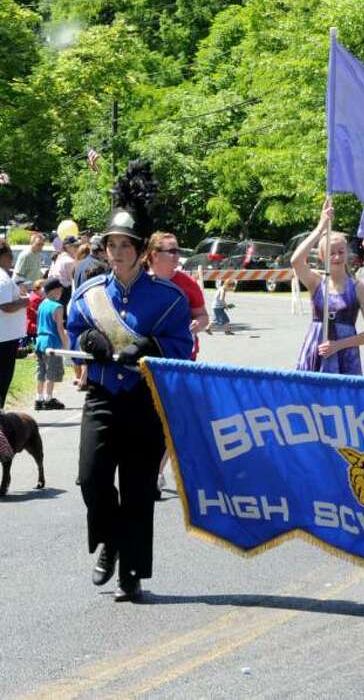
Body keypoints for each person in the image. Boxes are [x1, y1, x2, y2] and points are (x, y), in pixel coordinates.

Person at [68, 160, 194, 602]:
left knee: (139, 488)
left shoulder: (169, 298)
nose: (117, 252)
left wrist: (150, 349)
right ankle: (111, 540)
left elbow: (183, 346)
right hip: (103, 396)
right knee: (91, 478)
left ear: (141, 251)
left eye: (126, 246)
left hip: (145, 401)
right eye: (111, 245)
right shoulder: (88, 295)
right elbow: (71, 331)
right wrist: (88, 339)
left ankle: (132, 573)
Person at [144, 231, 210, 499]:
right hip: (143, 361)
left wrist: (199, 324)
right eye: (171, 251)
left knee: (167, 419)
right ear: (153, 255)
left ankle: (155, 473)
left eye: (177, 250)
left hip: (180, 361)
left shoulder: (186, 283)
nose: (177, 256)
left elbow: (204, 317)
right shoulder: (139, 282)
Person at [292, 198, 364, 374]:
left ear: (347, 253)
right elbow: (295, 261)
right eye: (331, 253)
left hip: (346, 357)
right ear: (322, 257)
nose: (337, 257)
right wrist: (320, 227)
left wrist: (338, 345)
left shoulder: (359, 288)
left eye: (341, 252)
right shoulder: (316, 281)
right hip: (316, 350)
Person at [0, 243, 29, 408]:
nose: (12, 259)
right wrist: (25, 302)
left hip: (5, 336)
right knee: (3, 377)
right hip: (4, 338)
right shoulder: (2, 278)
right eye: (10, 255)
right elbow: (6, 306)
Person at [34, 278, 68, 411]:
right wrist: (65, 344)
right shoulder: (58, 306)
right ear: (54, 290)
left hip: (40, 341)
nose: (61, 292)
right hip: (51, 342)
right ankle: (49, 398)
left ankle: (39, 398)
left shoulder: (42, 304)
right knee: (51, 372)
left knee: (41, 371)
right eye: (60, 290)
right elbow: (60, 328)